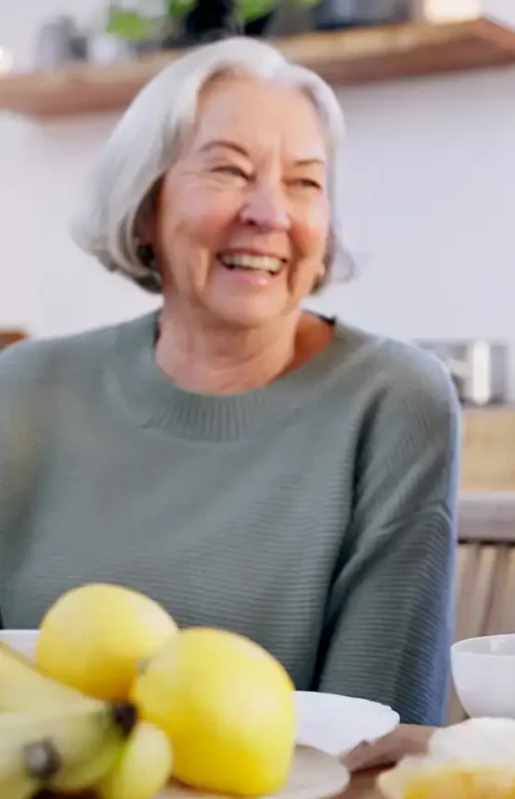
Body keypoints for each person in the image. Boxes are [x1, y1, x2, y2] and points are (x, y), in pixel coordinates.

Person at [0, 37, 460, 726]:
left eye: (304, 182)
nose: (270, 214)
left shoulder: (394, 402)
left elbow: (375, 733)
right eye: (228, 171)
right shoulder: (24, 388)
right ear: (146, 204)